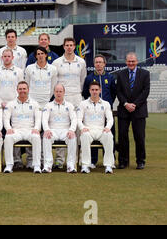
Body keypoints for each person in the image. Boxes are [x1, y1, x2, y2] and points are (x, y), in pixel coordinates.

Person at [51, 37, 86, 169]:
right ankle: (60, 160)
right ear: (64, 47)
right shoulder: (56, 62)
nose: (69, 47)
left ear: (74, 46)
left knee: (77, 129)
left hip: (77, 97)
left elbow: (82, 80)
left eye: (71, 45)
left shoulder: (81, 62)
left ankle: (78, 160)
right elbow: (54, 82)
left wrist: (77, 93)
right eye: (67, 45)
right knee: (61, 126)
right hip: (62, 98)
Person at [0, 49, 24, 168]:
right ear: (1, 58)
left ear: (12, 57)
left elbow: (20, 88)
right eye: (5, 56)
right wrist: (0, 102)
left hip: (14, 106)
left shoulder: (19, 71)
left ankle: (17, 159)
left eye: (9, 56)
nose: (7, 58)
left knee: (13, 131)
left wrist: (12, 103)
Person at [116, 52, 150, 169]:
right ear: (126, 62)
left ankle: (140, 161)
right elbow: (118, 91)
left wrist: (134, 104)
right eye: (129, 61)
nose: (131, 63)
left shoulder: (145, 74)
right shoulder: (120, 74)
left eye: (133, 61)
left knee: (139, 137)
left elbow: (145, 92)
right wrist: (126, 104)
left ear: (137, 61)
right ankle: (123, 161)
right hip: (124, 110)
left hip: (139, 110)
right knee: (122, 137)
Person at [82, 54, 117, 167]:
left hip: (106, 110)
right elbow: (85, 93)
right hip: (93, 110)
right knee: (92, 133)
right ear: (94, 64)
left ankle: (110, 161)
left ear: (104, 64)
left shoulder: (110, 78)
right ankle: (93, 160)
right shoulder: (89, 78)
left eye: (100, 62)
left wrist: (108, 104)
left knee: (108, 134)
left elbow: (113, 93)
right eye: (96, 62)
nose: (98, 64)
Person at [3, 81, 42, 174]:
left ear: (28, 90)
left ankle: (36, 165)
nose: (22, 91)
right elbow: (6, 119)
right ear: (17, 90)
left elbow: (38, 119)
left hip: (30, 130)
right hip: (16, 131)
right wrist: (8, 129)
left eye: (24, 89)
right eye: (20, 89)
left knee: (36, 137)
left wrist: (36, 129)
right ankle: (9, 165)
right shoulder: (11, 104)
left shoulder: (35, 104)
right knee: (8, 138)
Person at [77, 81, 115, 174]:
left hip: (101, 130)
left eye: (96, 90)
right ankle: (85, 165)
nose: (94, 92)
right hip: (88, 130)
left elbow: (110, 119)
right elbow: (78, 119)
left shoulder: (106, 104)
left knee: (109, 135)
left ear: (100, 90)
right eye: (92, 90)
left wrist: (107, 127)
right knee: (84, 135)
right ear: (89, 91)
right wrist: (82, 127)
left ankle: (109, 165)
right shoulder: (83, 104)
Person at [42, 83, 78, 173]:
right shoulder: (48, 106)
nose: (58, 93)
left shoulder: (69, 105)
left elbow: (74, 119)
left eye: (60, 91)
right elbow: (44, 119)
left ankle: (70, 165)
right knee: (46, 136)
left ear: (64, 92)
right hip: (52, 130)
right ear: (54, 92)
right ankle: (48, 165)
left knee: (73, 137)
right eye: (57, 91)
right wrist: (46, 129)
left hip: (65, 130)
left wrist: (71, 130)